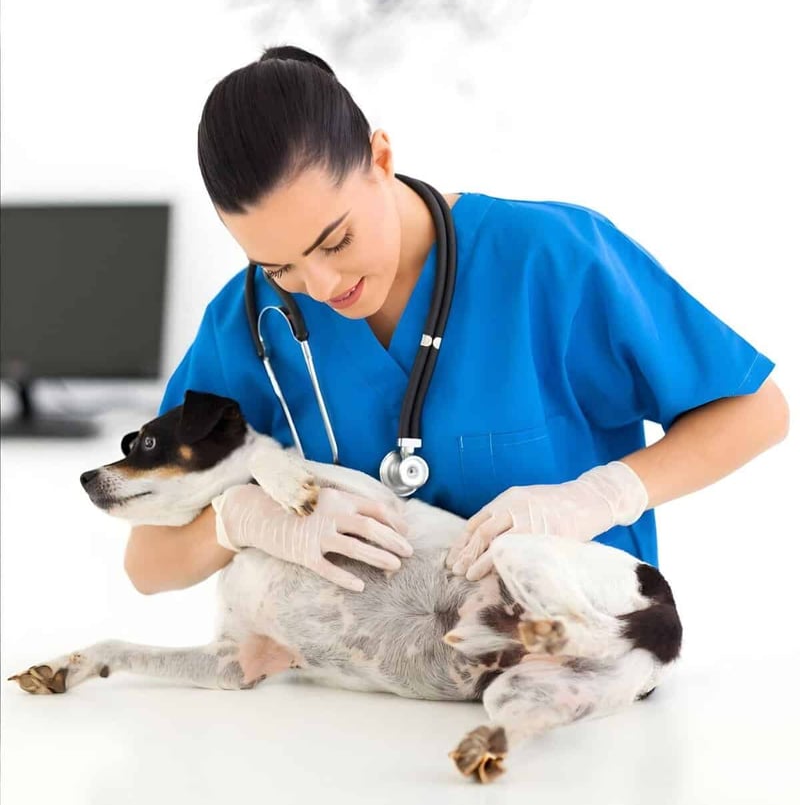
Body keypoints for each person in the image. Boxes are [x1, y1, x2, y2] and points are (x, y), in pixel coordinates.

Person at [124, 44, 789, 596]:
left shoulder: (548, 259)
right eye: (280, 265)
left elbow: (758, 411)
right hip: (352, 700)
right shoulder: (248, 324)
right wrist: (240, 521)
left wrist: (602, 496)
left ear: (381, 158)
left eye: (334, 242)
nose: (321, 286)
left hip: (568, 674)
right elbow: (147, 564)